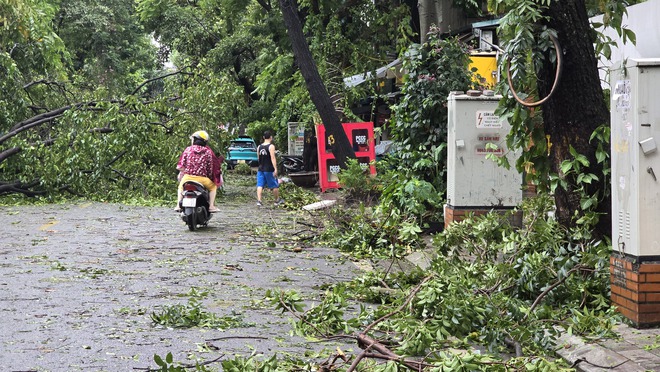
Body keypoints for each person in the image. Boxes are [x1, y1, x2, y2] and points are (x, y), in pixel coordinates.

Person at [175, 130, 220, 213]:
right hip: (202, 179)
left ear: (195, 140)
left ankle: (178, 205)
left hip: (188, 177)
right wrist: (209, 177)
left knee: (180, 187)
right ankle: (211, 206)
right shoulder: (208, 151)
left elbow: (181, 166)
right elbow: (210, 167)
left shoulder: (188, 149)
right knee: (213, 187)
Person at [256, 130, 283, 206]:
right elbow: (273, 158)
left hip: (261, 168)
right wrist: (275, 168)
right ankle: (277, 200)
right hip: (269, 169)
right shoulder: (271, 146)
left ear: (263, 137)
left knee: (260, 185)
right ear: (271, 137)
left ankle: (259, 201)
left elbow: (258, 157)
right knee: (274, 185)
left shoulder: (259, 147)